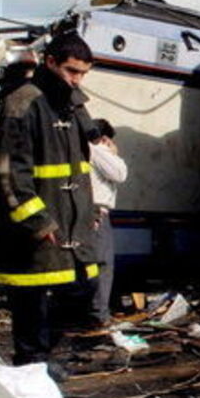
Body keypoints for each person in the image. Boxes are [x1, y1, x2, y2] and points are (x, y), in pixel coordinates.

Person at [0, 32, 101, 377]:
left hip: (71, 220)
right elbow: (9, 173)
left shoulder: (69, 104)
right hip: (36, 225)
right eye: (71, 70)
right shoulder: (23, 104)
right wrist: (37, 221)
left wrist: (89, 211)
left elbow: (78, 168)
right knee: (30, 299)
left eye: (82, 73)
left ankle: (42, 357)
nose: (76, 79)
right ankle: (31, 365)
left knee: (82, 289)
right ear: (50, 62)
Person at [87, 118, 128, 325]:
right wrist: (114, 153)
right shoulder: (97, 150)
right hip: (96, 213)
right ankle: (98, 315)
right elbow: (120, 174)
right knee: (102, 264)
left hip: (86, 211)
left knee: (90, 264)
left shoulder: (81, 150)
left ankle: (92, 312)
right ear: (104, 138)